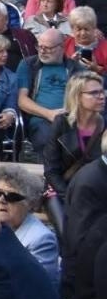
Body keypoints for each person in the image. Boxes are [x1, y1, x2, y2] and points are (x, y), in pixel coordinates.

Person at [43, 70, 103, 225]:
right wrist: (69, 195)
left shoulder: (105, 125)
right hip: (62, 190)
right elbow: (51, 170)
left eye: (102, 91)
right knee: (67, 230)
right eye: (94, 93)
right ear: (77, 96)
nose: (102, 96)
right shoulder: (61, 123)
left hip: (97, 192)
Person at [0, 163, 58, 281]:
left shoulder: (41, 239)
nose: (1, 200)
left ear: (30, 203)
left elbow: (36, 283)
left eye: (11, 196)